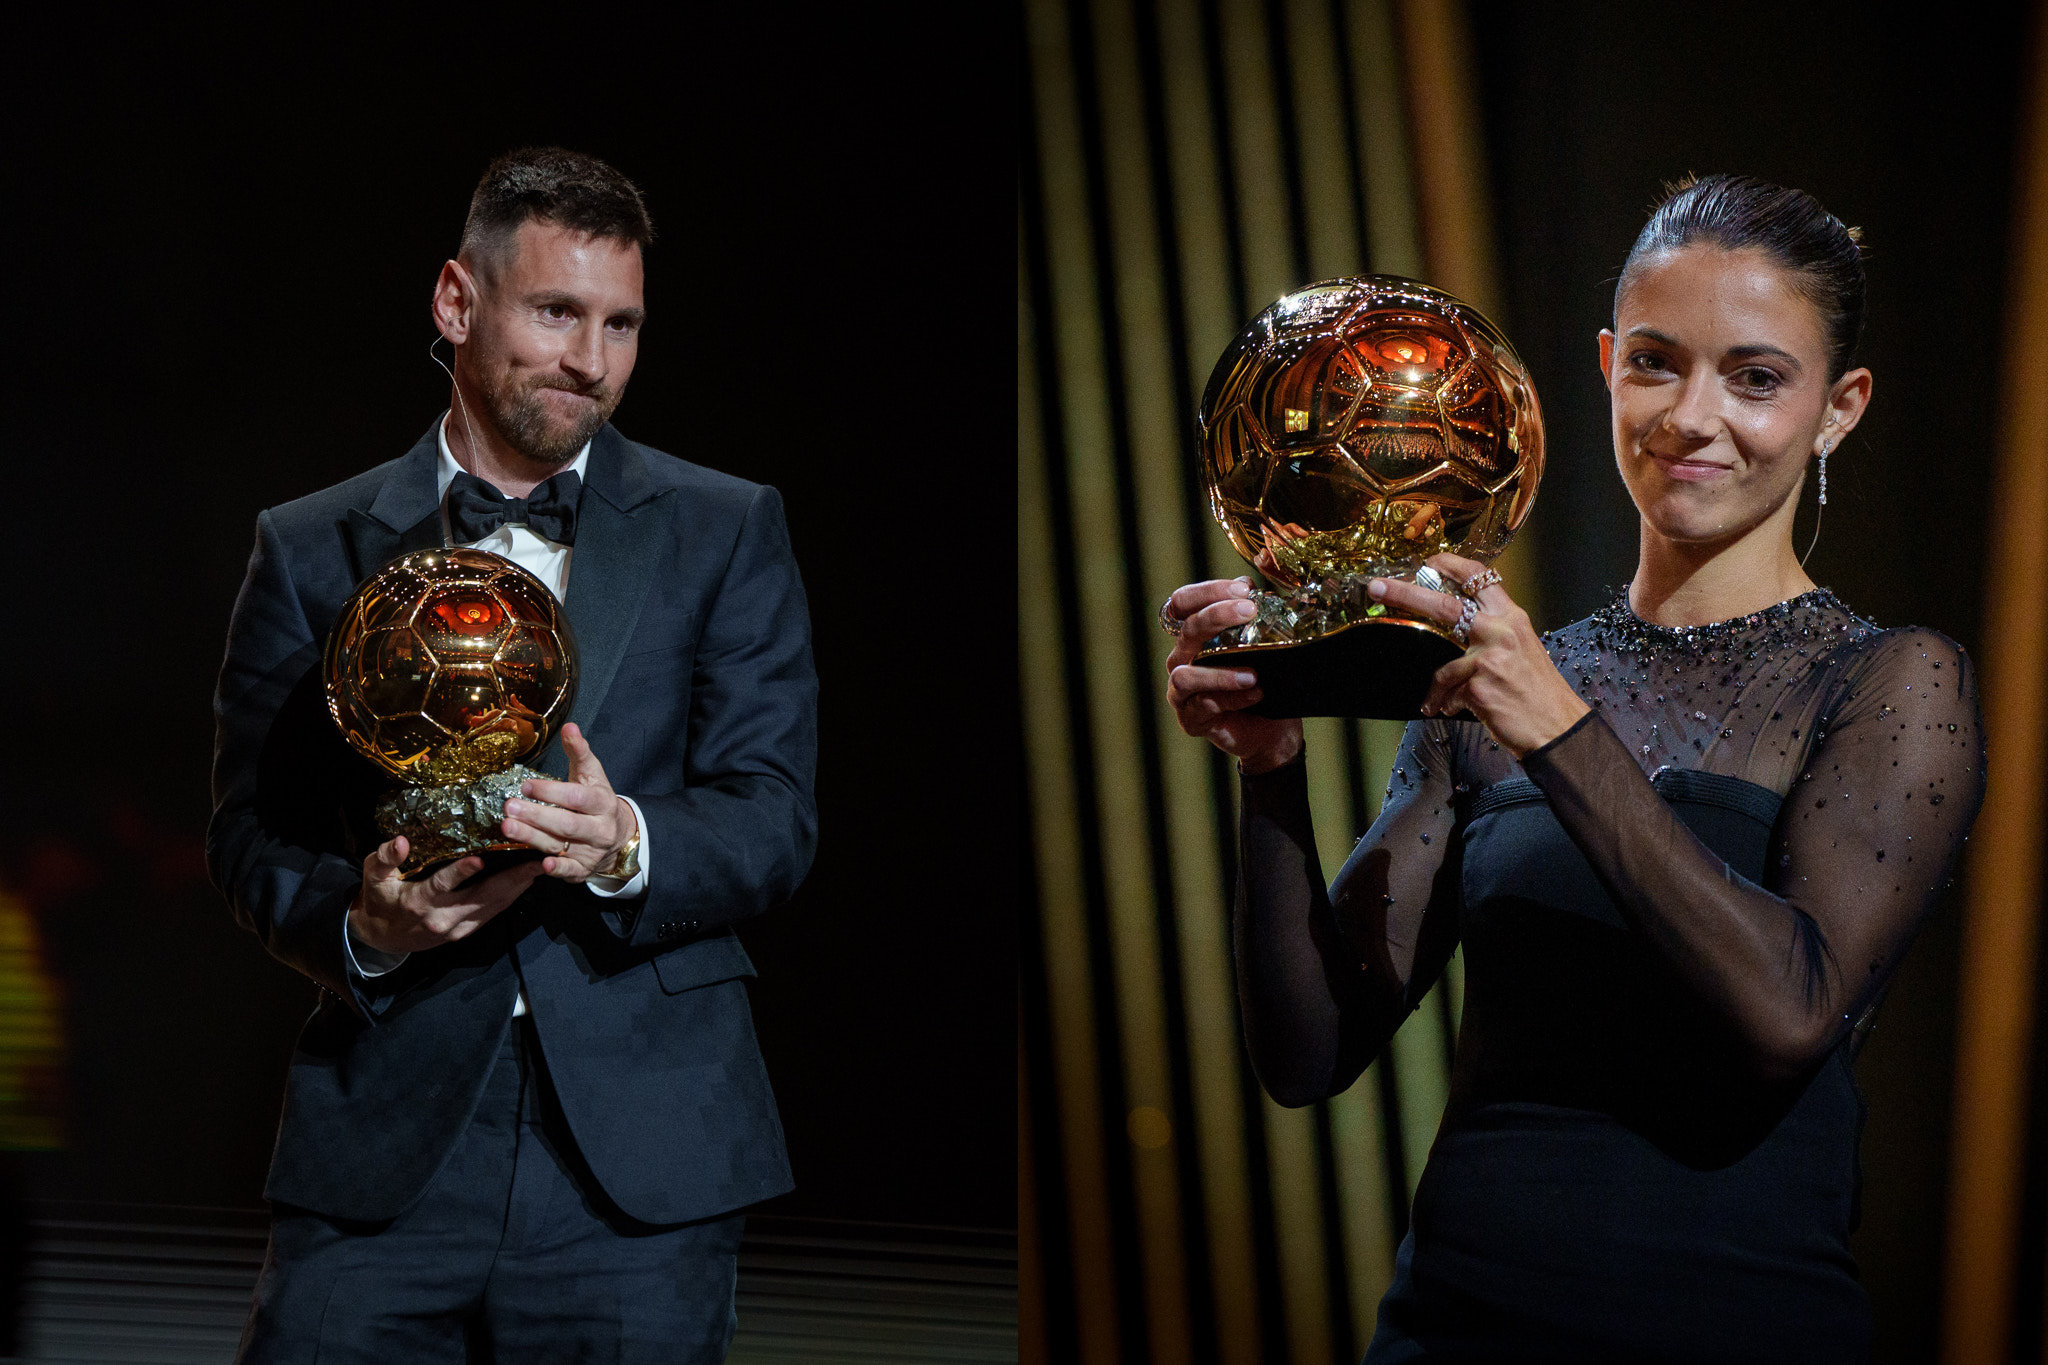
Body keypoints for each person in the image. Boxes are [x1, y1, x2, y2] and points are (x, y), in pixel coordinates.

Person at [1162, 175, 1985, 1362]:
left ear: (1838, 407)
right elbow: (1306, 1053)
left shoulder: (1890, 685)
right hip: (1452, 1330)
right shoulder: (1494, 683)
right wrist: (1267, 769)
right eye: (1655, 363)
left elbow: (1787, 1013)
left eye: (1754, 378)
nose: (1691, 417)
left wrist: (1556, 731)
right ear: (1603, 367)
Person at [207, 147, 817, 1362]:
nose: (591, 361)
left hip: (644, 1157)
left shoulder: (726, 525)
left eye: (622, 323)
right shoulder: (311, 541)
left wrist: (628, 841)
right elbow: (248, 835)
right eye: (555, 312)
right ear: (455, 302)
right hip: (384, 1139)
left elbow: (773, 817)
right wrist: (364, 927)